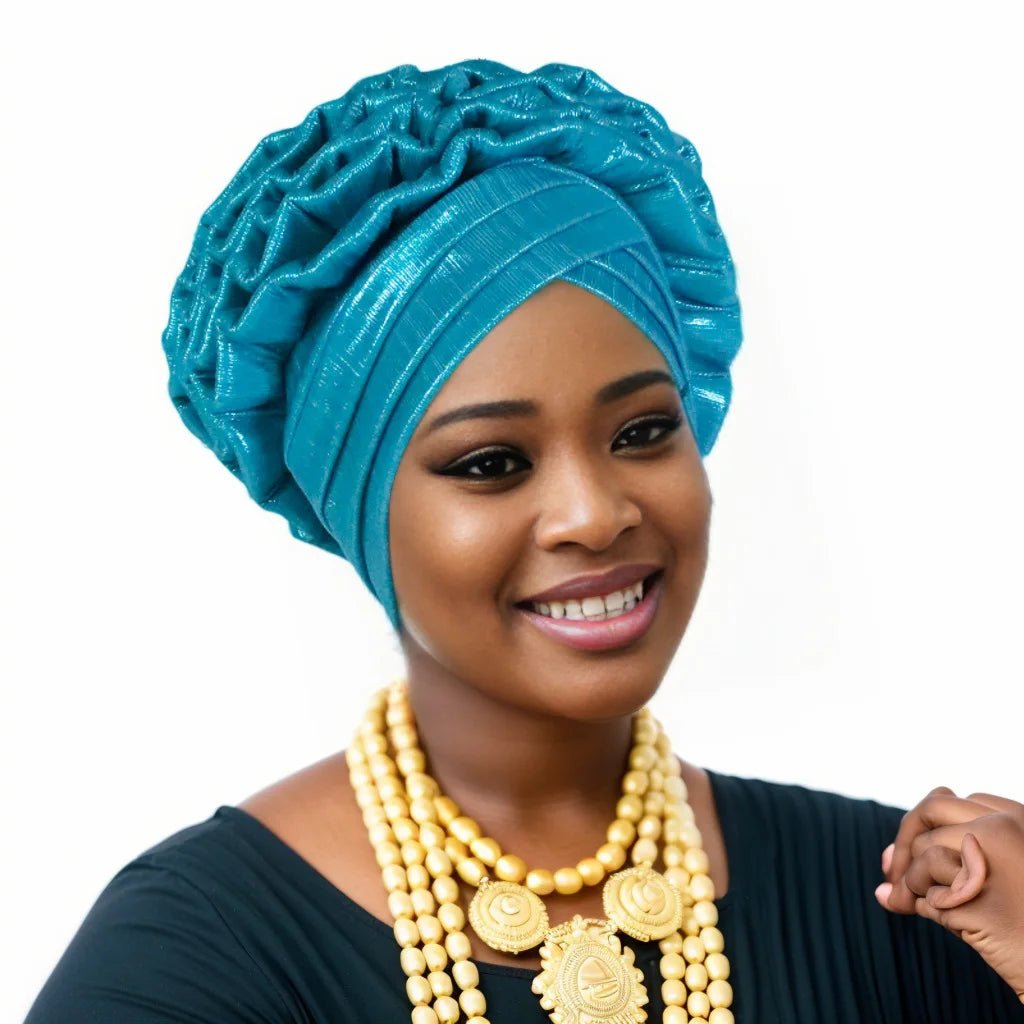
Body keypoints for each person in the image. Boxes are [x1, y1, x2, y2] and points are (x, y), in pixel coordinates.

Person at [23, 59, 1024, 1024]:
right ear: (358, 512)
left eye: (641, 433)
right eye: (490, 462)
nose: (594, 513)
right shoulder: (191, 958)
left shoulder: (910, 906)